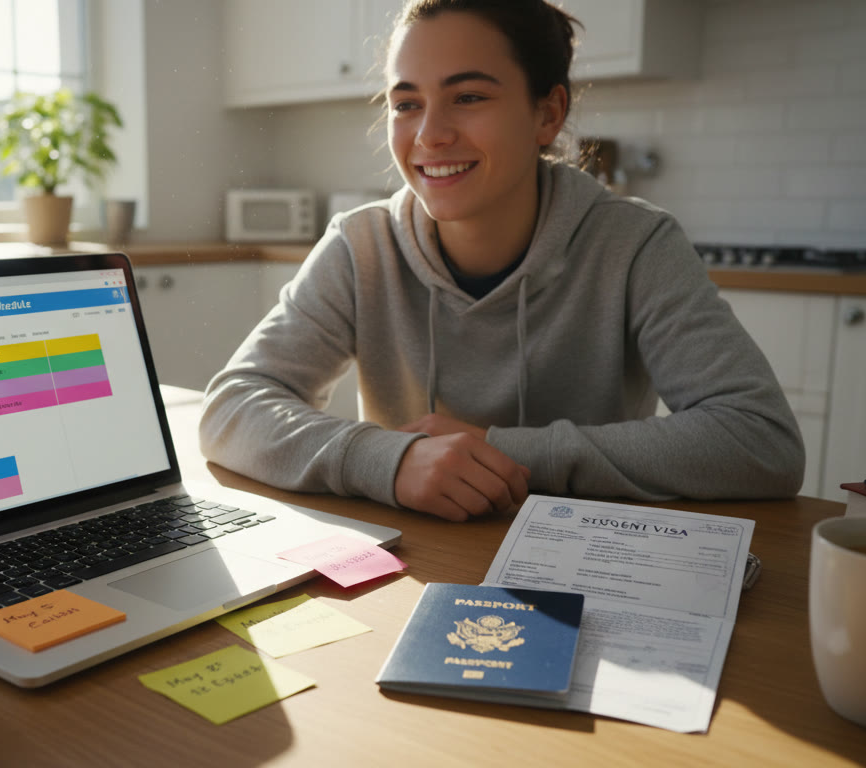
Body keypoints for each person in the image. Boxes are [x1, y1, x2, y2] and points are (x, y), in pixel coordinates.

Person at [199, 0, 804, 522]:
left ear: (548, 113)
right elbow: (231, 408)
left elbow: (761, 440)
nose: (430, 134)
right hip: (414, 562)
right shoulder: (363, 246)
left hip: (588, 565)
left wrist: (502, 451)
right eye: (406, 103)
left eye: (467, 96)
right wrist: (390, 460)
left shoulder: (635, 245)